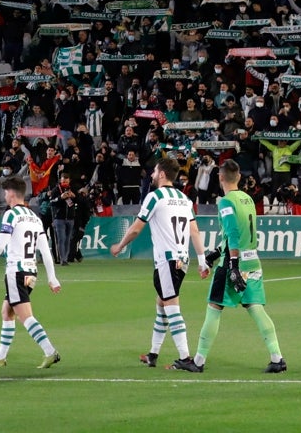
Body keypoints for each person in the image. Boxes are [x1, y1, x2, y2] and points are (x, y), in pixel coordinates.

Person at [172, 160, 285, 373]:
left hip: (233, 263)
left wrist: (232, 265)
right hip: (252, 261)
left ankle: (198, 361)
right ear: (239, 177)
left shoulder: (225, 202)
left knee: (214, 308)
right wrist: (213, 254)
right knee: (256, 308)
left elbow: (233, 234)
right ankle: (277, 357)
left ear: (220, 177)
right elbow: (239, 234)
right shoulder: (247, 198)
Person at [110, 157, 211, 368]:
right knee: (161, 303)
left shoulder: (154, 197)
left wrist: (119, 246)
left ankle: (185, 358)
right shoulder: (184, 199)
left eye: (155, 171)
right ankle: (153, 354)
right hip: (182, 260)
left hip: (167, 260)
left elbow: (137, 228)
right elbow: (194, 230)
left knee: (171, 306)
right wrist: (202, 260)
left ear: (162, 174)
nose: (152, 175)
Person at [0, 177, 62, 369]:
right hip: (31, 272)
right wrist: (52, 278)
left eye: (5, 192)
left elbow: (0, 245)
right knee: (7, 311)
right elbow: (45, 250)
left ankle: (50, 351)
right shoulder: (35, 218)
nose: (4, 196)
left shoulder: (11, 215)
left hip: (16, 271)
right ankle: (1, 356)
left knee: (25, 316)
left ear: (11, 193)